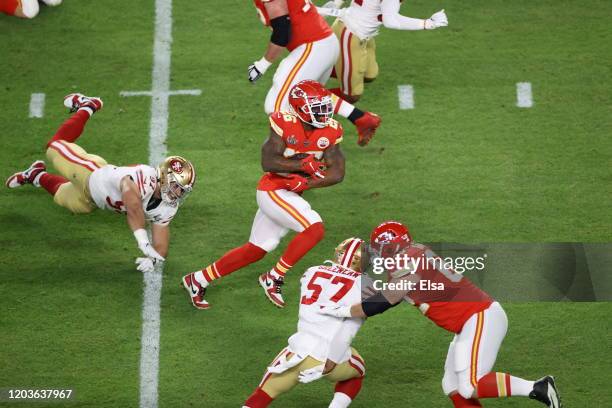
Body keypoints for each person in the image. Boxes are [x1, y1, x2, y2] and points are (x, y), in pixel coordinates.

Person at [319, 221, 562, 408]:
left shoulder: (407, 260)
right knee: (453, 385)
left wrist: (343, 310)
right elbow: (388, 294)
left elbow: (385, 301)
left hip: (479, 317)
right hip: (472, 320)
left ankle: (538, 387)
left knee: (471, 385)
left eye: (378, 248)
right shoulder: (413, 254)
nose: (377, 254)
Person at [182, 80, 346, 309]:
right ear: (300, 108)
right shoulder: (284, 123)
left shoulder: (331, 130)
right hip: (273, 189)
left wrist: (305, 182)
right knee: (314, 228)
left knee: (258, 248)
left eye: (325, 106)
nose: (324, 112)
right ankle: (274, 277)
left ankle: (197, 280)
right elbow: (268, 161)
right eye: (317, 107)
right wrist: (302, 166)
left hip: (290, 192)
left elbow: (337, 172)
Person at [6, 93, 196, 273]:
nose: (177, 194)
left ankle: (36, 175)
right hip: (88, 172)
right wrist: (142, 240)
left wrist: (154, 258)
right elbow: (133, 204)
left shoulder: (168, 206)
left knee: (63, 197)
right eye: (176, 187)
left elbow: (161, 236)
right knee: (54, 147)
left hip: (93, 200)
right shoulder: (144, 176)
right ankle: (87, 106)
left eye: (182, 191)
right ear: (163, 177)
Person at [243, 237, 369, 408]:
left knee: (262, 395)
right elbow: (348, 329)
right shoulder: (366, 286)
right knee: (357, 373)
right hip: (330, 355)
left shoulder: (311, 271)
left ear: (339, 254)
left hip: (297, 349)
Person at [248, 0, 382, 147]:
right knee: (309, 99)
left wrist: (261, 65)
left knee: (275, 106)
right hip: (324, 43)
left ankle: (295, 152)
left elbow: (282, 33)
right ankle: (360, 118)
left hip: (313, 46)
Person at [318, 0, 448, 102]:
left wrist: (336, 3)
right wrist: (426, 24)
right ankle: (306, 101)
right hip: (351, 33)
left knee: (369, 75)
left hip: (362, 34)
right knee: (351, 96)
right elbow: (390, 21)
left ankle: (332, 68)